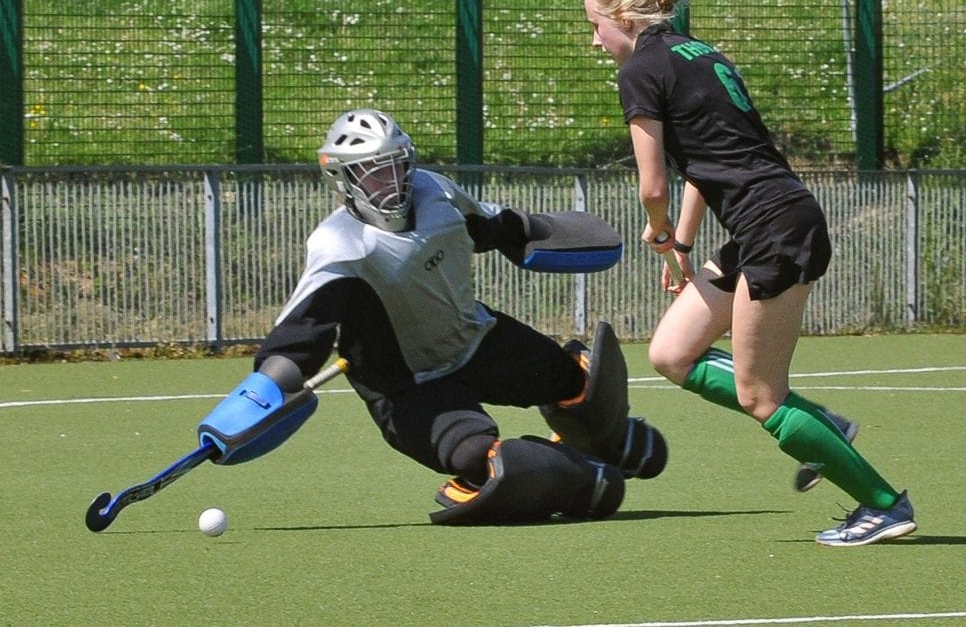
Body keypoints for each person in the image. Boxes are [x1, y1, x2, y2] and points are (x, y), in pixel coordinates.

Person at [198, 108, 667, 525]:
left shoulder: (435, 193)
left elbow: (494, 225)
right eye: (376, 174)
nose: (394, 182)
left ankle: (604, 441)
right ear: (344, 180)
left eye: (399, 166)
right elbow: (302, 334)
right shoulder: (339, 248)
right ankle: (578, 481)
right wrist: (266, 388)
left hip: (477, 338)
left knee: (576, 378)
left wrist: (539, 233)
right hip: (409, 388)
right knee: (475, 453)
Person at [582, 0, 916, 546]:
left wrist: (656, 228)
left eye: (594, 26)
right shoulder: (698, 53)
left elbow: (653, 184)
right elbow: (704, 166)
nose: (593, 40)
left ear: (622, 18)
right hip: (767, 223)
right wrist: (681, 242)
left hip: (773, 229)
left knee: (760, 395)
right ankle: (824, 426)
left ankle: (885, 504)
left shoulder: (638, 70)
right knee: (672, 353)